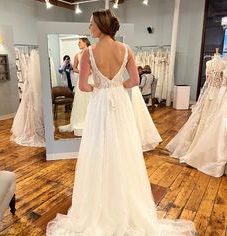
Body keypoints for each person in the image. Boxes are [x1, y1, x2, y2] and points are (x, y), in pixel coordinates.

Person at [47, 9, 196, 235]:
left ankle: (101, 199)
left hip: (99, 104)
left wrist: (100, 88)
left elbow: (83, 86)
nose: (88, 28)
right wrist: (116, 87)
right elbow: (135, 80)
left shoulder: (88, 52)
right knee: (123, 147)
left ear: (100, 25)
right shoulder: (126, 50)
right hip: (119, 103)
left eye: (91, 24)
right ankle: (124, 199)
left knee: (98, 147)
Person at [58, 38, 92, 136]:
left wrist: (92, 71)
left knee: (91, 99)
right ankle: (81, 119)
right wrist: (83, 72)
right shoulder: (77, 55)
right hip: (82, 79)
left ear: (85, 43)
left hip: (91, 79)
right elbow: (74, 68)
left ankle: (91, 120)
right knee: (81, 100)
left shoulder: (92, 53)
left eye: (79, 42)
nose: (78, 44)